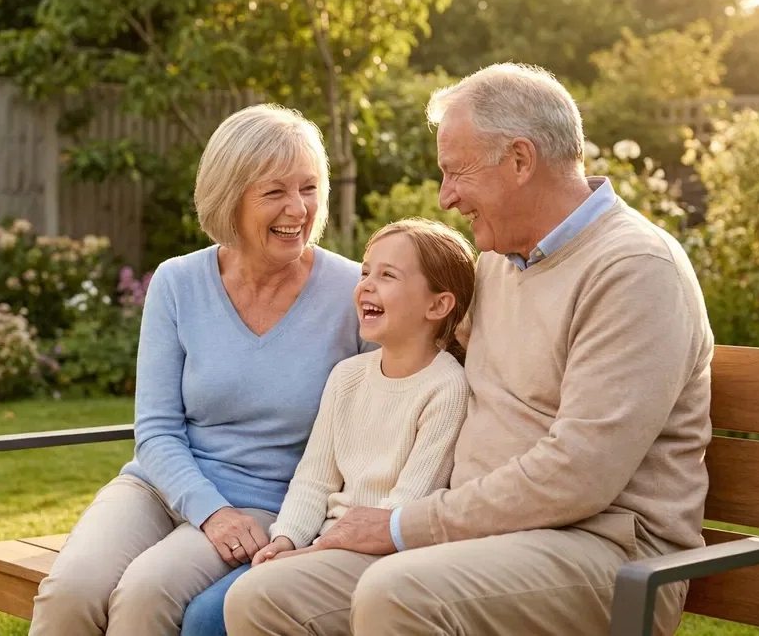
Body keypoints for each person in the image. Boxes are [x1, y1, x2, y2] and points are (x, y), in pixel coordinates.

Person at [223, 62, 715, 636]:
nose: (446, 196)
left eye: (456, 173)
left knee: (398, 593)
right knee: (263, 597)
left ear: (521, 160)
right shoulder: (500, 263)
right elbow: (417, 351)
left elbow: (580, 475)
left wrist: (404, 525)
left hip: (604, 551)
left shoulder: (632, 270)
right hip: (480, 541)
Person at [27, 103, 372, 636]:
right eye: (274, 192)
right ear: (229, 198)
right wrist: (209, 510)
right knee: (69, 591)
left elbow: (383, 414)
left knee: (144, 596)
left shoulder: (353, 293)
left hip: (265, 504)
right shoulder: (178, 282)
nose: (298, 208)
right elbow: (157, 429)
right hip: (158, 489)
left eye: (308, 188)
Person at [181, 218, 476, 636]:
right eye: (366, 272)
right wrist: (284, 540)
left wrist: (311, 553)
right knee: (203, 617)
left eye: (387, 275)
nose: (366, 286)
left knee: (239, 604)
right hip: (322, 544)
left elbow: (405, 507)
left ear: (438, 305)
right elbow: (313, 481)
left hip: (380, 556)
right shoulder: (347, 376)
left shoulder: (446, 388)